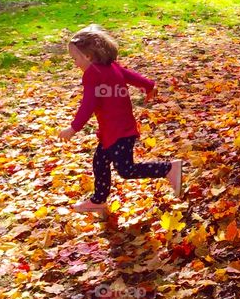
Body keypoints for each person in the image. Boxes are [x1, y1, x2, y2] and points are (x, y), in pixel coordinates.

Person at [59, 24, 182, 213]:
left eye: (75, 58)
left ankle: (168, 169)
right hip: (116, 130)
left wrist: (73, 128)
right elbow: (131, 76)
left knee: (126, 170)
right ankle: (99, 200)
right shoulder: (110, 67)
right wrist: (149, 86)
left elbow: (88, 104)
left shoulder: (92, 74)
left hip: (118, 133)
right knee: (100, 162)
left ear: (88, 56)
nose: (74, 63)